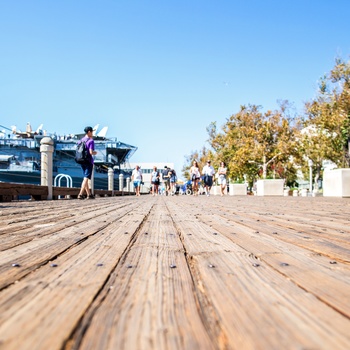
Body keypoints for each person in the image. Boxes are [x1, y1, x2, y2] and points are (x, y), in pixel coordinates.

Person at [78, 126, 97, 200]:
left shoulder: (81, 140)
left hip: (82, 161)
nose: (92, 133)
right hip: (88, 161)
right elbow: (91, 152)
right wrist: (95, 152)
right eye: (92, 131)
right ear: (89, 132)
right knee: (86, 178)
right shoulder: (91, 141)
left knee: (85, 177)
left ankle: (89, 194)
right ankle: (80, 193)